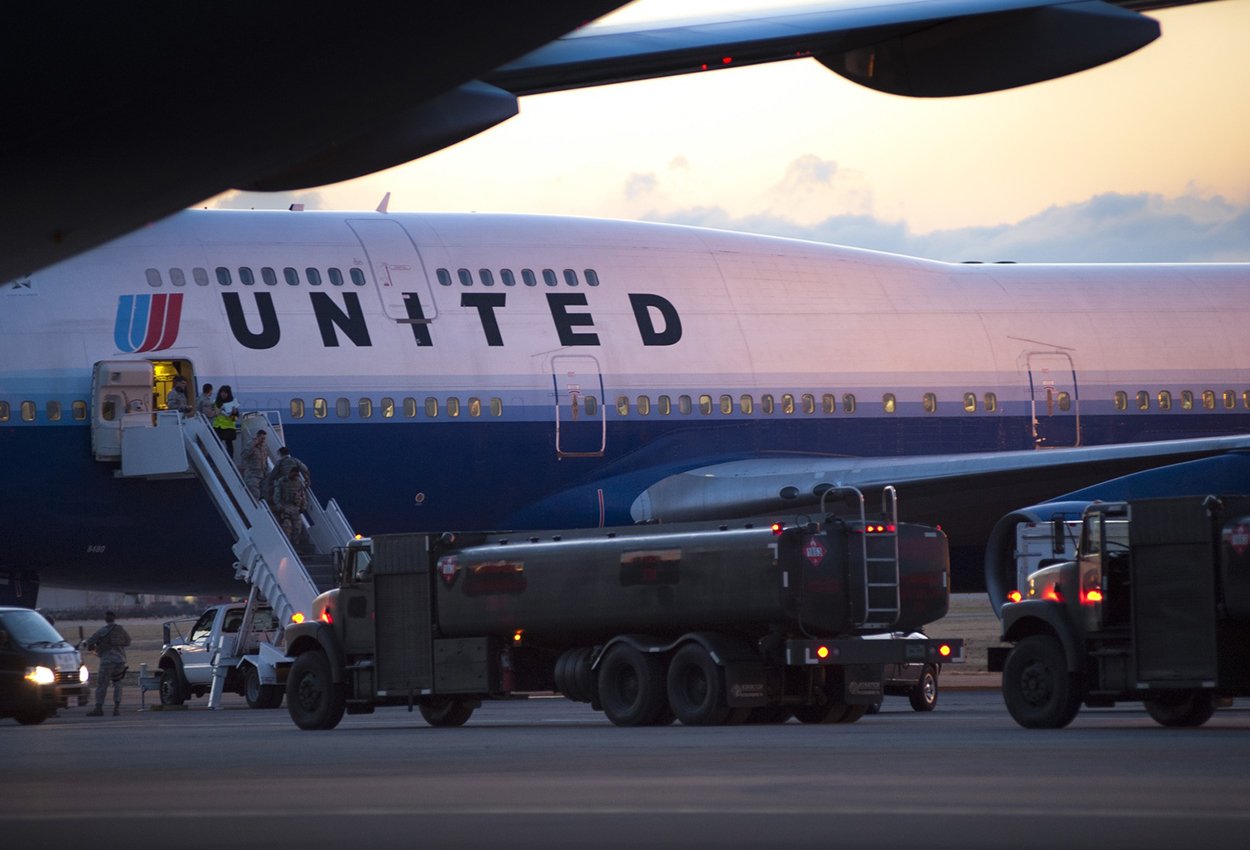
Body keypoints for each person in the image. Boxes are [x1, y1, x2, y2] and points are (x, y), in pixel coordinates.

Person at [83, 611, 131, 717]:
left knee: (102, 684)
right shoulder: (120, 630)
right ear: (114, 618)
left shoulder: (102, 631)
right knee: (118, 684)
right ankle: (116, 708)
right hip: (120, 661)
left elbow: (90, 641)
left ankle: (99, 708)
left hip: (107, 662)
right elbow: (128, 642)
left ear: (106, 619)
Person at [275, 465, 308, 546]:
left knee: (298, 528)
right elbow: (277, 495)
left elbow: (303, 495)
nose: (295, 477)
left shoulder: (299, 482)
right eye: (294, 474)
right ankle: (286, 545)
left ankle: (295, 545)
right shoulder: (282, 481)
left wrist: (303, 506)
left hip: (295, 508)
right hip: (285, 507)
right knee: (287, 526)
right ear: (290, 472)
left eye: (296, 475)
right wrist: (279, 506)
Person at [239, 428, 269, 500]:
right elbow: (244, 455)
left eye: (264, 439)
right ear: (257, 437)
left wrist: (266, 470)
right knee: (255, 494)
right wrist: (253, 446)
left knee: (263, 496)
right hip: (252, 475)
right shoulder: (250, 444)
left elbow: (265, 460)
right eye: (262, 438)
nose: (263, 440)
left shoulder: (264, 447)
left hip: (262, 474)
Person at [212, 385, 240, 458]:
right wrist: (220, 409)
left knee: (229, 445)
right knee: (217, 444)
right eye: (222, 392)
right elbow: (214, 414)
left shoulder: (233, 403)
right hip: (218, 426)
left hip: (229, 427)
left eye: (225, 393)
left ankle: (230, 459)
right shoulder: (216, 402)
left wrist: (233, 412)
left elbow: (235, 418)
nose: (223, 394)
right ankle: (218, 458)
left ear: (228, 394)